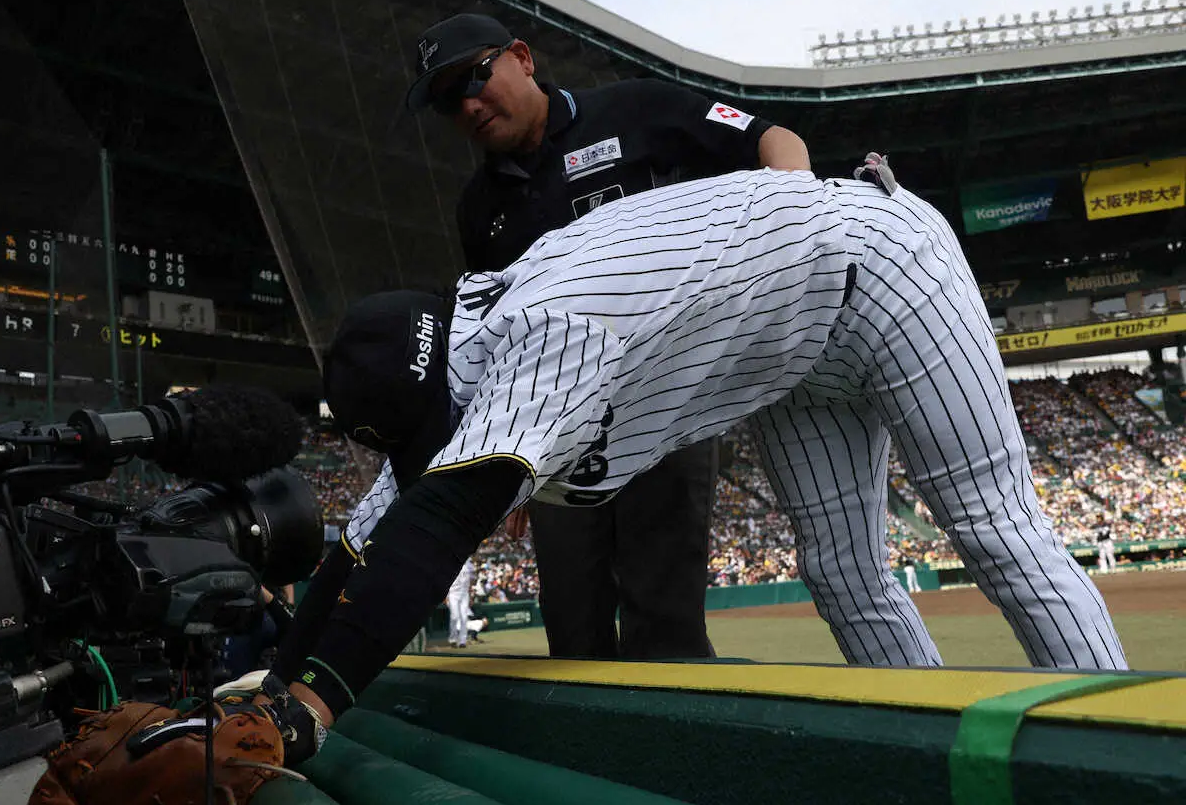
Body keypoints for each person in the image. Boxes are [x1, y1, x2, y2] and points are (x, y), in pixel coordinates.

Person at [258, 161, 1127, 763]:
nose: (443, 448)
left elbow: (445, 517)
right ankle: (936, 761)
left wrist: (312, 707)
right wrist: (275, 679)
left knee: (994, 529)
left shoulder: (548, 321)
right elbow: (368, 541)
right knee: (841, 571)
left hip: (884, 267)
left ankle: (1128, 762)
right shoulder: (466, 348)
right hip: (793, 356)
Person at [406, 12, 810, 660]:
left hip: (664, 404)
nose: (468, 105)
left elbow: (772, 137)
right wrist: (507, 450)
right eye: (447, 100)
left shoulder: (635, 109)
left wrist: (796, 221)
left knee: (665, 631)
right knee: (573, 630)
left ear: (522, 57)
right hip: (561, 436)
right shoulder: (478, 210)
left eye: (473, 78)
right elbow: (500, 335)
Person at [447, 557, 475, 648]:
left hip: (464, 594)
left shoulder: (467, 566)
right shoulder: (450, 566)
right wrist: (446, 597)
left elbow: (471, 581)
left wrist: (470, 596)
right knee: (454, 616)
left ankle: (463, 641)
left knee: (464, 617)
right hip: (453, 593)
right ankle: (453, 639)